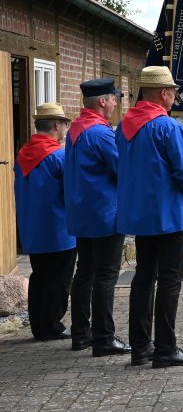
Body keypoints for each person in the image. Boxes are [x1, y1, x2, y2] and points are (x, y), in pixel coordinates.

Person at [117, 66, 183, 367]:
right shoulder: (168, 127)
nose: (174, 99)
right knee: (169, 280)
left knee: (143, 277)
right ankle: (166, 348)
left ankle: (141, 347)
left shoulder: (124, 127)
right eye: (173, 93)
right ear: (164, 93)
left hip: (140, 215)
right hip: (166, 214)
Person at [65, 78, 130, 356]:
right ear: (102, 101)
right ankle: (104, 338)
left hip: (83, 212)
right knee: (105, 276)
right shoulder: (101, 133)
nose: (116, 104)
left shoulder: (75, 130)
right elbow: (121, 169)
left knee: (85, 273)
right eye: (114, 98)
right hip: (105, 213)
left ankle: (81, 333)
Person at [14, 103, 76, 342]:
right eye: (65, 124)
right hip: (59, 228)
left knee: (39, 277)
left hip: (33, 227)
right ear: (56, 125)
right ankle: (52, 326)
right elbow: (70, 190)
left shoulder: (22, 154)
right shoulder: (58, 155)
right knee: (58, 280)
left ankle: (39, 326)